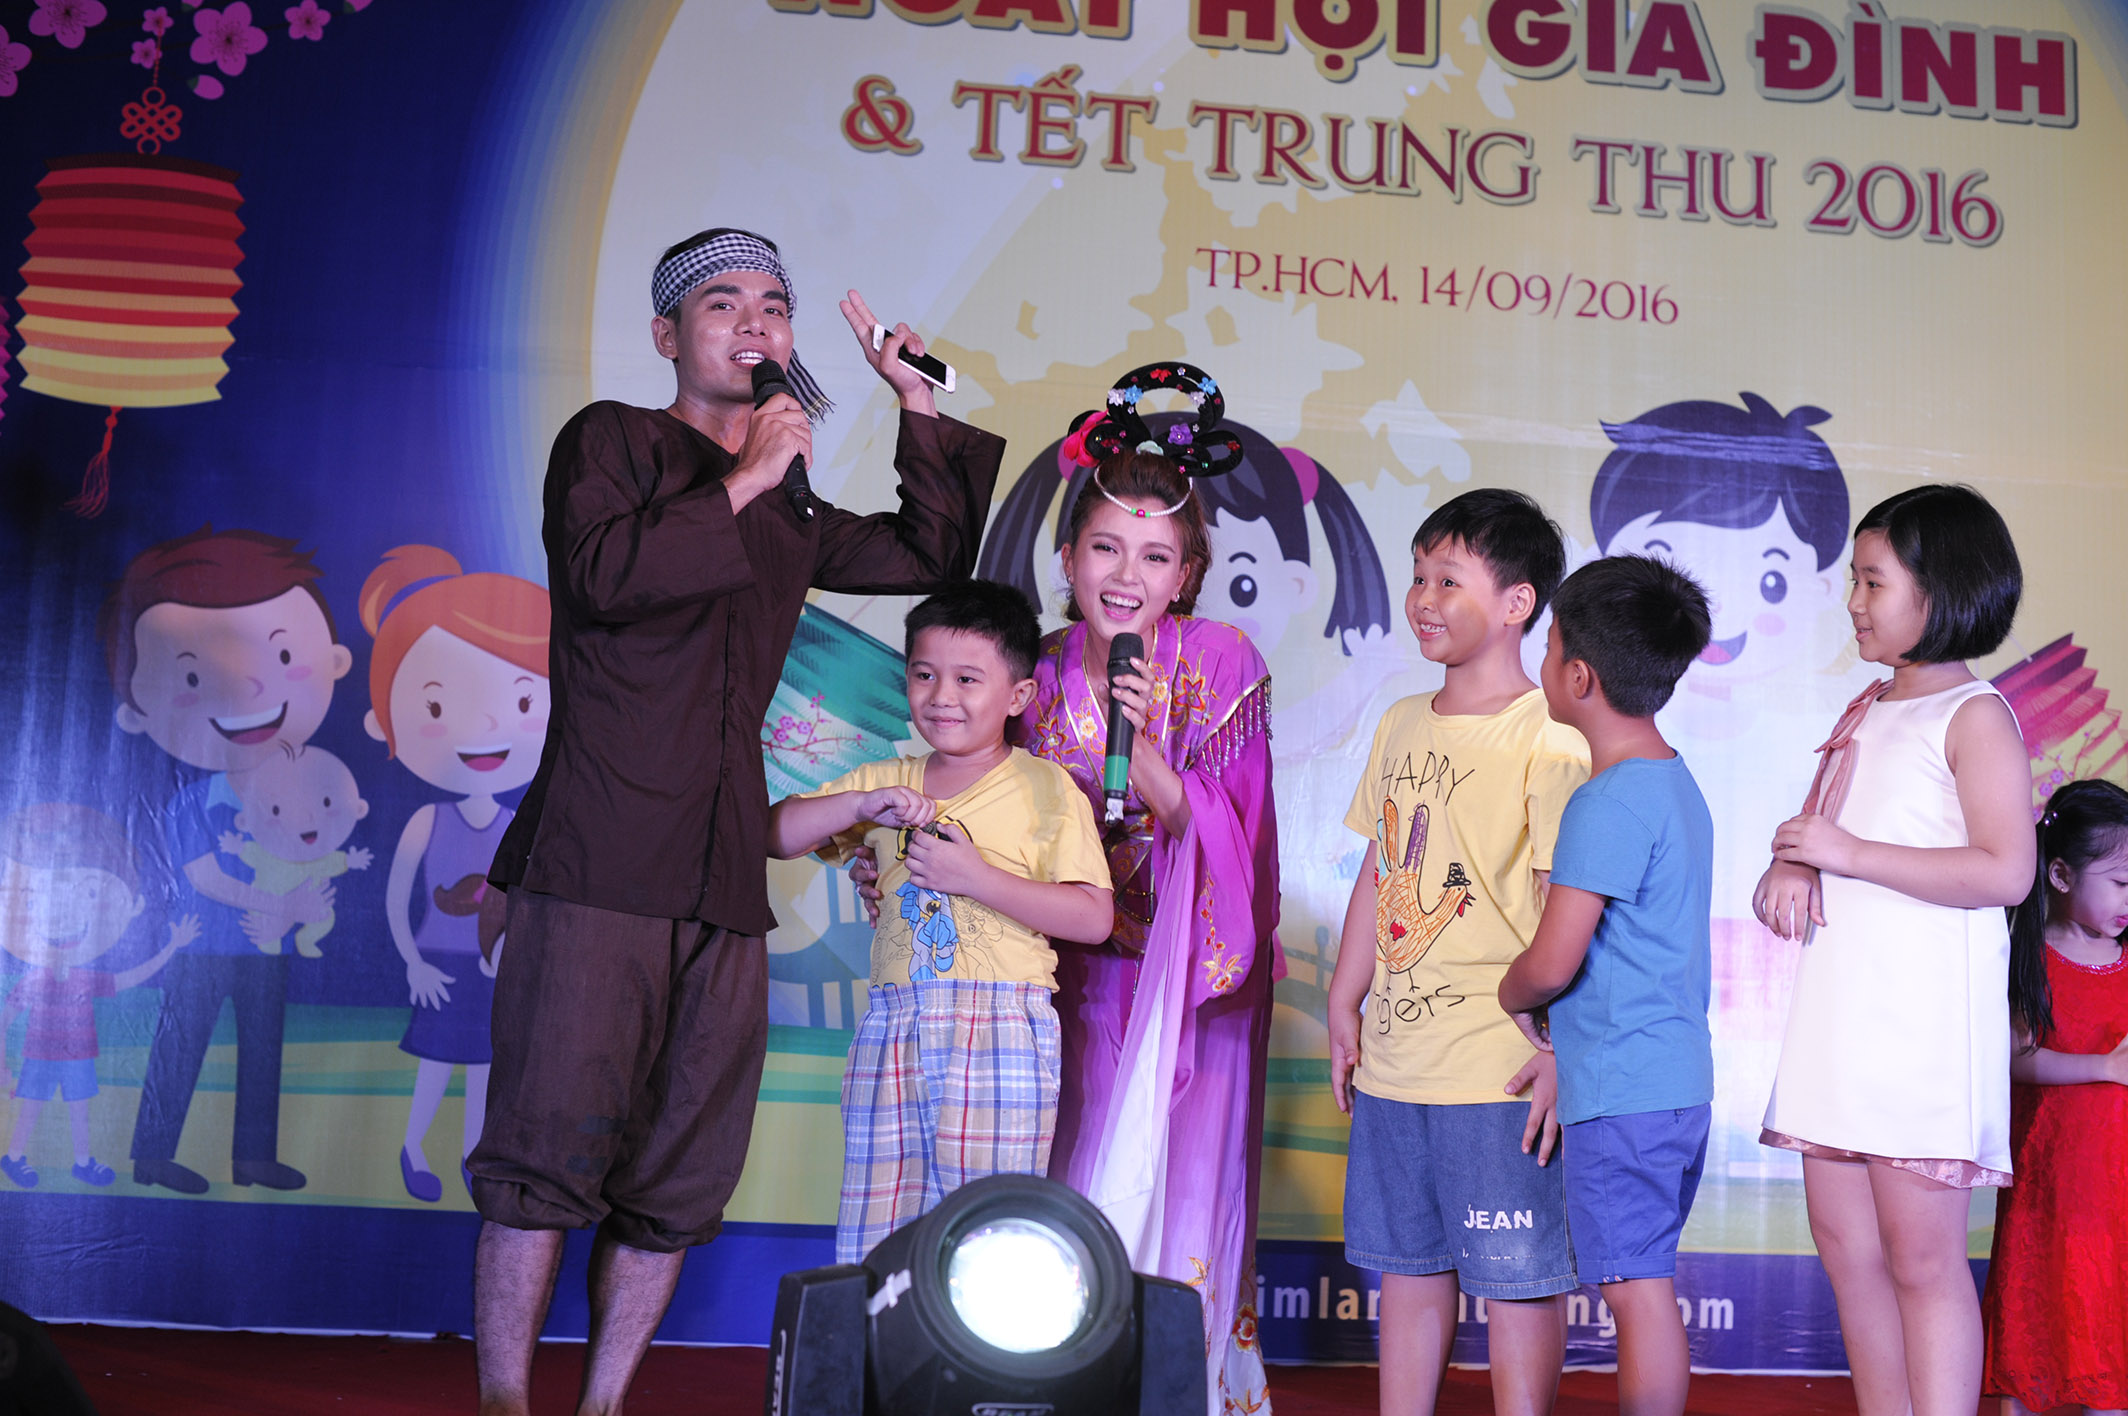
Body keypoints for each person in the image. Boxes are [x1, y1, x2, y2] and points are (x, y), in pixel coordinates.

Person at [470, 227, 1003, 1416]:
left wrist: (915, 402)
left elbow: (928, 551)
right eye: (723, 303)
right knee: (540, 1158)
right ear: (668, 334)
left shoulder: (789, 506)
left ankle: (602, 1404)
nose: (756, 322)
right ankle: (504, 1402)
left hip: (721, 875)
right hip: (598, 862)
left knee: (679, 1175)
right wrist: (750, 477)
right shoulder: (611, 442)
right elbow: (603, 578)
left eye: (774, 304)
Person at [1004, 364, 1281, 1415]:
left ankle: (1177, 1386)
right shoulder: (1031, 668)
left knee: (1180, 1177)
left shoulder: (1220, 658)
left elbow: (1238, 837)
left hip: (1188, 977)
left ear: (1189, 571)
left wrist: (1153, 760)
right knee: (1074, 1171)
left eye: (1155, 555)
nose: (1126, 574)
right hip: (1068, 976)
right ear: (1067, 555)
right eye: (1105, 548)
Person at [1757, 484, 2033, 1416]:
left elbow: (2006, 870)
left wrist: (1847, 855)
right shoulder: (1866, 707)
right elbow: (1820, 834)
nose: (1854, 601)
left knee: (1922, 1260)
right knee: (1848, 1251)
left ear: (1941, 591)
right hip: (1840, 1021)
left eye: (1874, 582)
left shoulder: (1975, 715)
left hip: (1920, 1034)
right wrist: (1793, 866)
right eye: (1855, 580)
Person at [1325, 486, 1587, 1416]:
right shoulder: (1401, 721)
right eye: (1418, 576)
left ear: (1518, 602)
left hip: (1499, 1069)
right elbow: (1380, 866)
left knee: (1518, 1281)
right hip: (1399, 1064)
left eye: (1448, 578)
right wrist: (1344, 998)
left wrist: (1561, 1050)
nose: (1423, 598)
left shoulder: (1552, 735)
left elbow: (1566, 907)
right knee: (1408, 1271)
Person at [768, 580, 1113, 1262]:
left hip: (1001, 1026)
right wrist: (860, 806)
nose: (941, 696)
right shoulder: (882, 780)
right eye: (924, 675)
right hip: (893, 1025)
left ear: (1018, 696)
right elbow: (774, 833)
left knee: (987, 1235)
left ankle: (985, 1335)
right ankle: (882, 1332)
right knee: (879, 1231)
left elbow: (1094, 917)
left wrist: (976, 879)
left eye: (967, 679)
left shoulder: (1046, 788)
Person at [1498, 556, 1716, 1416]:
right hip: (1672, 1086)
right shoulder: (1675, 784)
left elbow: (1553, 961)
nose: (1544, 660)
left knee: (1634, 1289)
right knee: (1643, 1280)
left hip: (1624, 1092)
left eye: (1550, 646)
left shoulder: (1606, 801)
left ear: (1579, 676)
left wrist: (1512, 993)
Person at [104, 526, 353, 1195]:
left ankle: (253, 1159)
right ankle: (152, 1156)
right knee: (179, 1046)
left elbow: (309, 853)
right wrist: (284, 904)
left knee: (264, 1052)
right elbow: (206, 878)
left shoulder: (292, 793)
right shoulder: (192, 802)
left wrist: (304, 901)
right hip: (204, 949)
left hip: (266, 949)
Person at [358, 544, 550, 1203]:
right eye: (440, 706)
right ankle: (413, 1148)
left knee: (484, 1069)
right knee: (436, 1065)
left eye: (521, 700)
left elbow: (525, 906)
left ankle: (474, 1157)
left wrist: (508, 960)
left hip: (492, 969)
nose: (488, 724)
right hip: (438, 962)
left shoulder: (519, 825)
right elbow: (396, 901)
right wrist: (413, 962)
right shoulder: (427, 820)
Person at [1981, 778, 2128, 1416]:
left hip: (2117, 1182)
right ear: (2061, 875)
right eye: (2120, 883)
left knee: (2109, 1310)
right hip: (2052, 1176)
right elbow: (2017, 1060)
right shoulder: (2030, 955)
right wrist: (2105, 1067)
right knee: (2037, 1299)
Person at [1, 804, 197, 1189]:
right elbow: (6, 1016)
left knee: (80, 1110)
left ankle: (82, 1162)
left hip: (78, 1056)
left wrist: (171, 948)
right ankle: (14, 1157)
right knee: (31, 1107)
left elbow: (127, 978)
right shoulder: (34, 979)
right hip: (39, 1056)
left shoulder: (85, 978)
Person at [218, 744, 372, 958]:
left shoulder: (321, 857)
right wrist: (236, 847)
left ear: (358, 808)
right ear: (245, 821)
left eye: (326, 802)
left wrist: (351, 861)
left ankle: (306, 939)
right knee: (263, 928)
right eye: (276, 810)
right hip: (269, 906)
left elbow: (337, 862)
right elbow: (248, 852)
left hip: (315, 904)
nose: (305, 819)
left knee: (326, 919)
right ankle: (270, 948)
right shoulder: (265, 854)